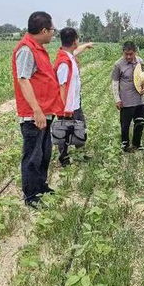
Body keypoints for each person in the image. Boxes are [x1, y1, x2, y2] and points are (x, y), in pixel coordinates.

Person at [12, 11, 63, 209]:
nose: (53, 33)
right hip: (34, 114)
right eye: (52, 30)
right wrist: (36, 110)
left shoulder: (38, 48)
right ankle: (31, 195)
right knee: (32, 155)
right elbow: (23, 80)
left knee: (44, 152)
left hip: (45, 111)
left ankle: (41, 186)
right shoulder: (26, 50)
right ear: (43, 30)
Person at [53, 27, 93, 167]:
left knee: (80, 129)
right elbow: (61, 86)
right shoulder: (64, 62)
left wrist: (86, 46)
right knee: (64, 132)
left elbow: (75, 51)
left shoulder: (68, 55)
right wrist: (64, 111)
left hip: (75, 103)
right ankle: (63, 159)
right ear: (75, 40)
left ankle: (80, 154)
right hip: (68, 107)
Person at [111, 41, 144, 152]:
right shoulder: (118, 65)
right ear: (123, 52)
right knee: (125, 125)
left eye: (131, 54)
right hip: (126, 101)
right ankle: (125, 145)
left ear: (135, 52)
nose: (128, 56)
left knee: (139, 122)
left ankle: (136, 144)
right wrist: (117, 99)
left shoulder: (140, 61)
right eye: (126, 54)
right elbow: (115, 82)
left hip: (140, 100)